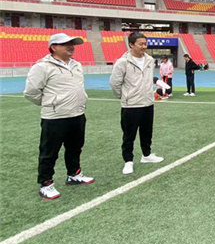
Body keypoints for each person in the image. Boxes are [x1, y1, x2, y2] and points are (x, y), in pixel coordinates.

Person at [24, 33, 94, 200]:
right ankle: (46, 184)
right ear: (54, 47)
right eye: (65, 44)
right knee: (49, 152)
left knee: (75, 148)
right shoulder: (42, 67)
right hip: (55, 118)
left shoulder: (76, 65)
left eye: (72, 43)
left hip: (77, 114)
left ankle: (74, 175)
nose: (71, 47)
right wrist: (52, 104)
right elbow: (31, 92)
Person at [110, 32, 164, 175]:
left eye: (145, 44)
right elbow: (115, 83)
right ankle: (128, 161)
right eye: (141, 44)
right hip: (131, 105)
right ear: (131, 45)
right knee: (129, 135)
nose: (144, 47)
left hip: (148, 103)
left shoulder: (150, 60)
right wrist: (125, 97)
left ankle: (146, 155)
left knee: (147, 132)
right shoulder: (122, 62)